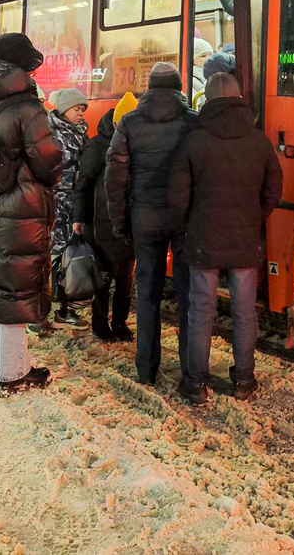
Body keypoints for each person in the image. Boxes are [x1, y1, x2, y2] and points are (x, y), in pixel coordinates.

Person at [168, 73, 283, 405]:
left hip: (204, 241)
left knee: (201, 310)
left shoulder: (194, 141)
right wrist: (255, 215)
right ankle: (245, 379)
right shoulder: (258, 141)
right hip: (245, 242)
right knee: (245, 311)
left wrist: (188, 225)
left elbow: (177, 196)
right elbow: (274, 188)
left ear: (208, 102)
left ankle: (195, 382)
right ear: (238, 100)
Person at [0, 33, 62, 394]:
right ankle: (14, 375)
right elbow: (48, 158)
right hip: (20, 207)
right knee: (17, 291)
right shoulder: (26, 106)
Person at [105, 61, 200, 386]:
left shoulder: (129, 122)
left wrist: (121, 223)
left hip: (143, 218)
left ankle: (146, 370)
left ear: (149, 88)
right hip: (183, 219)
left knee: (147, 295)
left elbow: (114, 178)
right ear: (177, 87)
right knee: (189, 297)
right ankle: (190, 370)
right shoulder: (192, 122)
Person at [73, 92, 137, 342]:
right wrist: (79, 217)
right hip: (99, 222)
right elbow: (84, 183)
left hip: (125, 222)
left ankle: (120, 323)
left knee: (125, 277)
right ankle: (100, 324)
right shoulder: (97, 146)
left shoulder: (134, 142)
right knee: (103, 276)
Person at [46, 87, 91, 331]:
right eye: (77, 109)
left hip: (73, 202)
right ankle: (58, 310)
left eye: (83, 109)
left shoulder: (78, 133)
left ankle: (66, 308)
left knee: (69, 257)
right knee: (59, 257)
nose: (81, 113)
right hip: (58, 203)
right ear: (64, 110)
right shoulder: (52, 133)